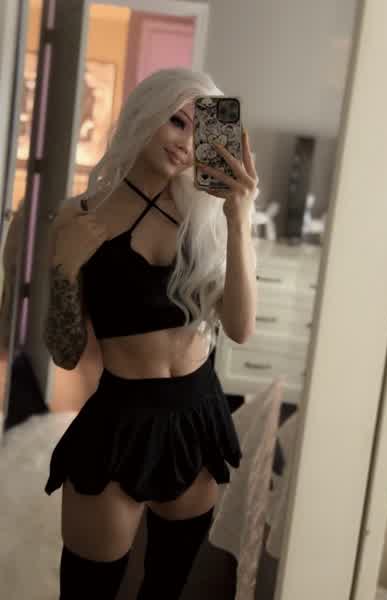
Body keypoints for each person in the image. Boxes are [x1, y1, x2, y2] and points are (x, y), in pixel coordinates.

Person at [43, 68, 259, 599]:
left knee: (166, 588)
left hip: (198, 416)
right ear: (145, 114)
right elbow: (65, 353)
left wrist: (239, 219)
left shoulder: (207, 220)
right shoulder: (78, 217)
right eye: (176, 121)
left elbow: (240, 328)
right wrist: (65, 270)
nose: (185, 143)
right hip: (121, 422)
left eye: (198, 131)